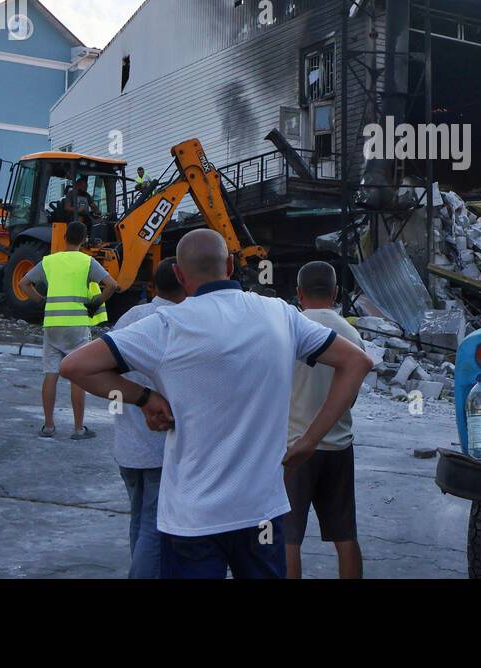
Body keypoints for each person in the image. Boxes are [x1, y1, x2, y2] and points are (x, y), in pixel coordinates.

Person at [60, 228, 373, 579]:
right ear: (229, 263)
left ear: (179, 274)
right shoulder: (279, 314)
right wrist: (310, 441)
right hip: (261, 514)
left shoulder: (164, 326)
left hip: (191, 519)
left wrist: (144, 397)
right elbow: (357, 363)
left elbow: (73, 366)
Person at [284, 261, 366, 579]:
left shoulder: (288, 328)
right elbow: (352, 395)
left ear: (298, 293)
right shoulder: (350, 334)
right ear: (335, 293)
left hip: (293, 449)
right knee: (345, 535)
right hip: (338, 446)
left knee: (288, 538)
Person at [109, 258, 184, 578]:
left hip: (127, 445)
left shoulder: (130, 317)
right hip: (161, 448)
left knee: (139, 520)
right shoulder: (177, 322)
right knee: (156, 526)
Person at [19, 220, 118, 440]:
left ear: (65, 238)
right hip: (76, 326)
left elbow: (23, 283)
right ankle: (78, 428)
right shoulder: (87, 262)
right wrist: (95, 302)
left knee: (50, 374)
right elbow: (112, 285)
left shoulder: (50, 261)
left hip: (52, 324)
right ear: (84, 239)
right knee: (77, 377)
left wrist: (42, 301)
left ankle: (48, 426)